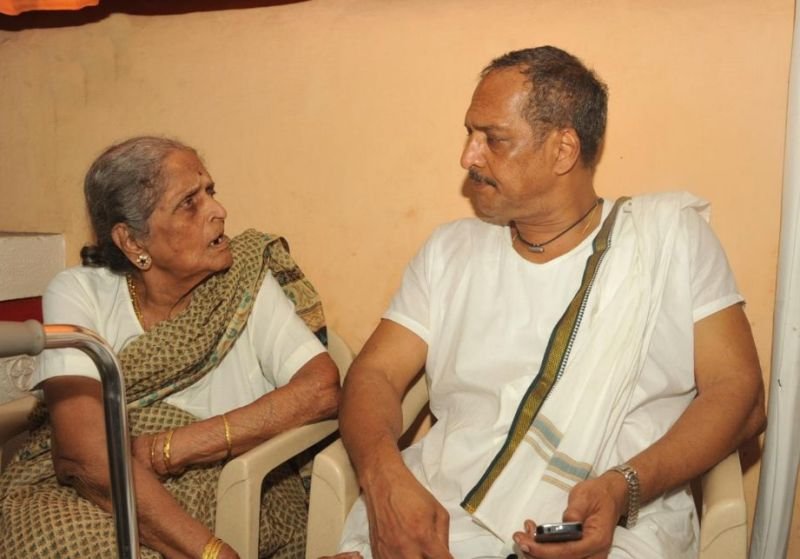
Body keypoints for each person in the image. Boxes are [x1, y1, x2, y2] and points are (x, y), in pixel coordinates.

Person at [332, 46, 766, 558]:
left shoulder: (669, 240)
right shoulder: (450, 252)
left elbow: (739, 395)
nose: (467, 157)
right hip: (441, 513)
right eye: (470, 135)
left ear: (563, 151)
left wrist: (625, 486)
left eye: (492, 139)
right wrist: (384, 477)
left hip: (616, 522)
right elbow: (374, 375)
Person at [0, 136, 340, 559]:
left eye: (211, 191)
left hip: (230, 487)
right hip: (101, 493)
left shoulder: (244, 282)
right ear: (132, 242)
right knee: (50, 531)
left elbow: (321, 388)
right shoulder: (78, 291)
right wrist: (215, 554)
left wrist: (171, 448)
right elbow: (85, 454)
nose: (218, 210)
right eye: (189, 202)